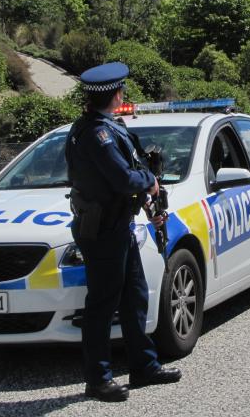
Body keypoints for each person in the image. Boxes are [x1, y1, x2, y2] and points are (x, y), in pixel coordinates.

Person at [65, 62, 181, 402]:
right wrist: (150, 182)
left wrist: (147, 201)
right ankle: (98, 379)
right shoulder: (97, 135)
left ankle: (144, 366)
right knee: (102, 305)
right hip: (103, 231)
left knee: (134, 296)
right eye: (121, 91)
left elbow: (126, 174)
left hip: (118, 226)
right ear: (115, 94)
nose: (122, 95)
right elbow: (123, 179)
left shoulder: (102, 127)